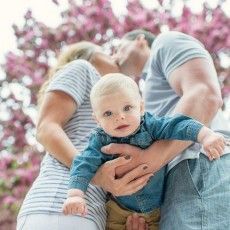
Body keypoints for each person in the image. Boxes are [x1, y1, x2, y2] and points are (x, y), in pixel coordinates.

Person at [16, 41, 154, 230]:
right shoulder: (83, 69)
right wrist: (95, 176)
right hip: (58, 201)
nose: (114, 57)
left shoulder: (113, 114)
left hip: (87, 213)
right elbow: (46, 128)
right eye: (106, 53)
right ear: (89, 57)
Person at [102, 30, 230, 229]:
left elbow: (205, 95)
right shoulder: (144, 94)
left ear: (140, 40)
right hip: (177, 180)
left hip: (199, 162)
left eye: (119, 48)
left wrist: (148, 161)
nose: (114, 57)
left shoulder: (165, 42)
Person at [62, 73, 225, 230]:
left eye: (127, 108)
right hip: (119, 212)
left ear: (140, 107)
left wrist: (205, 135)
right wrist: (75, 194)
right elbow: (83, 163)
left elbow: (177, 125)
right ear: (97, 120)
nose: (119, 117)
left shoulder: (150, 125)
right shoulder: (100, 140)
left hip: (158, 211)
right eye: (108, 113)